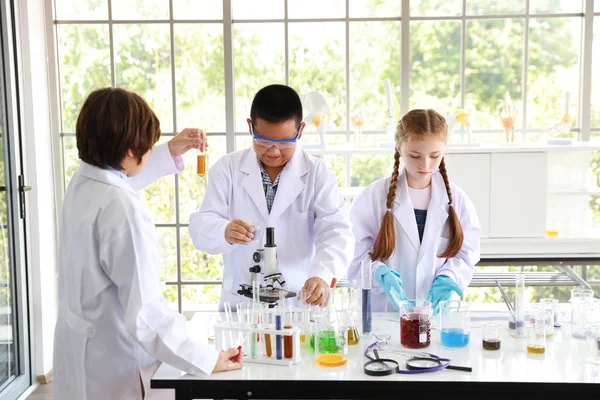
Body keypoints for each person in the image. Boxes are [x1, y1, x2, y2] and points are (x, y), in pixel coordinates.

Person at [53, 87, 242, 400]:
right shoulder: (122, 209)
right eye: (147, 146)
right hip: (115, 363)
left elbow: (121, 178)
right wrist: (206, 359)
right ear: (129, 151)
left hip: (83, 353)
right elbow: (144, 314)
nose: (149, 151)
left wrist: (170, 150)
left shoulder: (84, 181)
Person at [189, 84, 354, 310]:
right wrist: (223, 231)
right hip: (242, 307)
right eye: (264, 141)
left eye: (285, 142)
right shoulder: (227, 169)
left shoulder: (317, 174)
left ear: (301, 130)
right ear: (250, 127)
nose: (274, 151)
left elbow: (337, 233)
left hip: (297, 306)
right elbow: (200, 225)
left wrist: (322, 275)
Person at [348, 109, 480, 313]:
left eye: (434, 155)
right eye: (415, 155)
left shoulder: (457, 199)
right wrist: (379, 273)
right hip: (385, 314)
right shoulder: (374, 197)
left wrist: (449, 276)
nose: (425, 164)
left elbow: (467, 253)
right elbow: (354, 254)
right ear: (399, 148)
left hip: (436, 315)